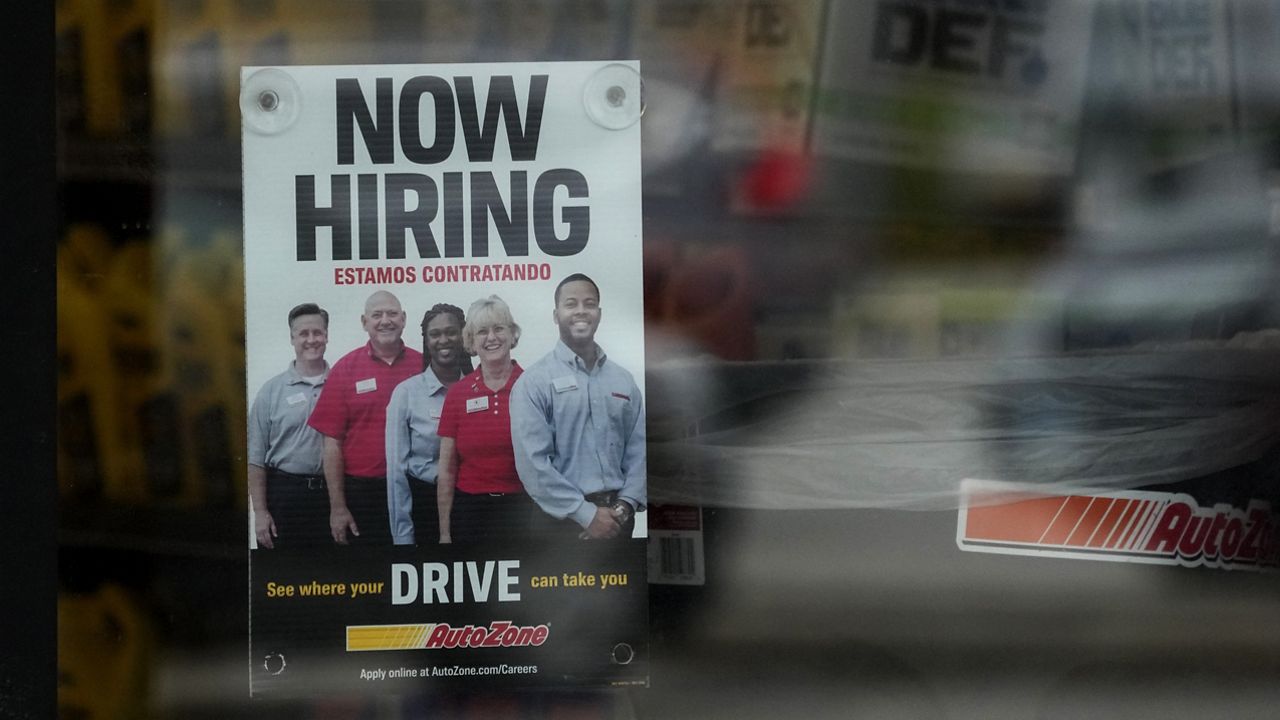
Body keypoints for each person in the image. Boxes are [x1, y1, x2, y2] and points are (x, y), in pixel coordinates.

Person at [511, 274, 646, 539]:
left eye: (590, 303)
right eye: (571, 304)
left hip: (619, 521)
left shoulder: (623, 380)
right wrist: (586, 514)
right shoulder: (534, 382)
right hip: (558, 526)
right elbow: (533, 463)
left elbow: (639, 449)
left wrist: (626, 504)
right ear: (555, 314)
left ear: (599, 313)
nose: (581, 311)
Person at [308, 290, 422, 545]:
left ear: (403, 319)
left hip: (414, 489)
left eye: (392, 314)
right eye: (377, 315)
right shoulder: (345, 369)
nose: (385, 321)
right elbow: (332, 444)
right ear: (364, 322)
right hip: (362, 494)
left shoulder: (423, 366)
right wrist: (338, 508)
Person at [436, 295, 533, 543]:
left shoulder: (534, 387)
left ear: (512, 335)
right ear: (471, 341)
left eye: (499, 328)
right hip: (470, 513)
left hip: (524, 511)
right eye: (482, 331)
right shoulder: (458, 394)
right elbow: (447, 470)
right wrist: (445, 533)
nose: (491, 338)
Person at [385, 303, 472, 545]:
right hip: (423, 507)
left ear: (464, 335)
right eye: (435, 334)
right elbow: (396, 472)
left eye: (451, 332)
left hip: (470, 506)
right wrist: (403, 535)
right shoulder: (406, 394)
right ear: (426, 340)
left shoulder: (478, 391)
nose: (443, 340)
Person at [247, 303, 331, 548]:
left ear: (327, 336)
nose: (311, 339)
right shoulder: (271, 391)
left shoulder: (341, 385)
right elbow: (255, 458)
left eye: (317, 332)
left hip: (331, 497)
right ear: (292, 338)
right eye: (303, 333)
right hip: (284, 496)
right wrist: (260, 513)